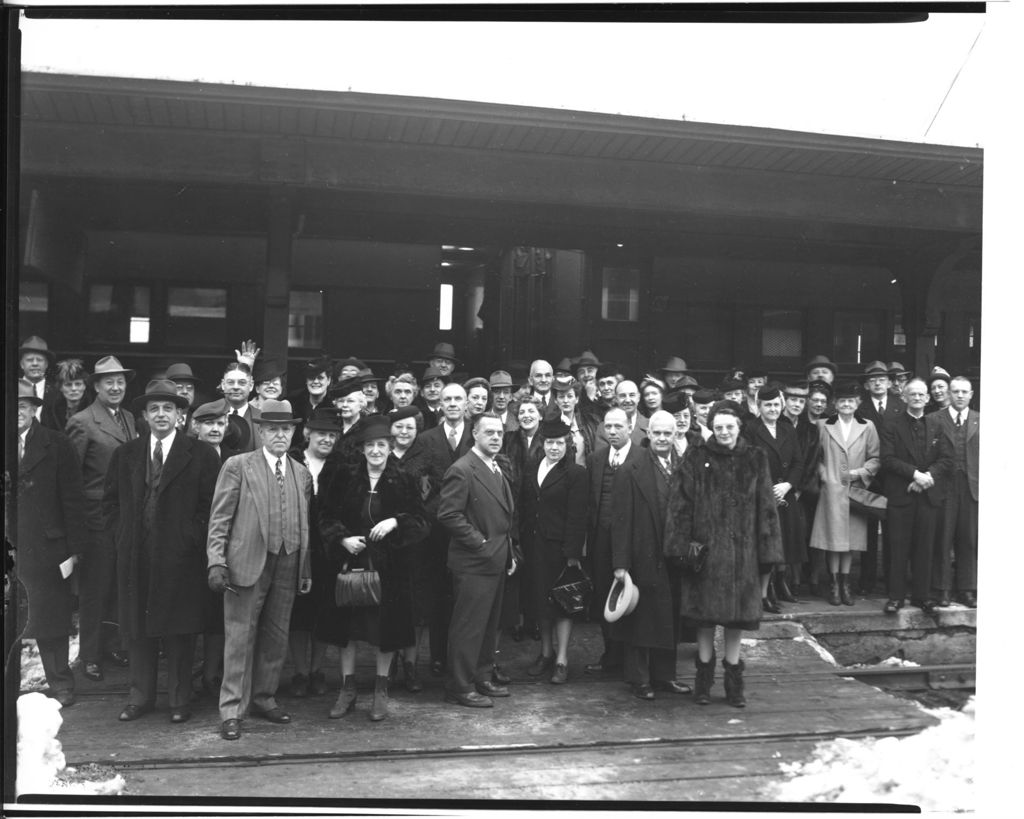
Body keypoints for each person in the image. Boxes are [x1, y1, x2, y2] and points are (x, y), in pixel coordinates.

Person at [103, 379, 221, 724]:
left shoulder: (198, 454)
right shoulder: (125, 455)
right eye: (154, 409)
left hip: (180, 558)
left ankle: (179, 700)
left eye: (168, 408)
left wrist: (188, 537)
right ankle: (140, 697)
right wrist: (122, 535)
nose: (161, 414)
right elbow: (109, 503)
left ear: (180, 416)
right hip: (136, 555)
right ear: (144, 415)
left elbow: (210, 507)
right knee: (137, 630)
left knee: (179, 630)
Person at [206, 399, 313, 741]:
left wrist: (304, 568)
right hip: (246, 564)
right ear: (262, 431)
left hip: (288, 560)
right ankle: (232, 710)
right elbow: (219, 518)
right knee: (239, 636)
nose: (279, 435)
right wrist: (216, 561)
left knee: (276, 636)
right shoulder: (238, 466)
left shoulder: (300, 472)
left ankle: (265, 697)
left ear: (293, 432)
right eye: (273, 429)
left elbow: (305, 524)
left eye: (286, 429)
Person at [665, 401, 784, 707]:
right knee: (703, 619)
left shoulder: (755, 458)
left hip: (742, 557)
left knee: (735, 621)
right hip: (704, 556)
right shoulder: (696, 456)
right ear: (711, 428)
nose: (724, 432)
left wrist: (767, 554)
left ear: (739, 427)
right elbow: (680, 506)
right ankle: (703, 682)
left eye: (729, 426)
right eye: (718, 427)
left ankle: (734, 684)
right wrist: (680, 548)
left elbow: (767, 509)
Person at [318, 415, 428, 721]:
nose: (376, 451)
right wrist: (342, 539)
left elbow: (421, 521)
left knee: (385, 631)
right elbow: (325, 515)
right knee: (348, 630)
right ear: (363, 449)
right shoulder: (345, 477)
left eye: (382, 445)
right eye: (371, 445)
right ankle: (348, 688)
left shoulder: (403, 478)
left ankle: (381, 691)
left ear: (390, 448)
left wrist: (396, 521)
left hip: (389, 568)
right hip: (350, 564)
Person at [15, 378, 89, 707]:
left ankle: (61, 682)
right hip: (10, 548)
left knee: (51, 619)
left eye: (23, 406)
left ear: (34, 410)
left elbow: (73, 499)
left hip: (46, 547)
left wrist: (74, 549)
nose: (17, 412)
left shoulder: (56, 444)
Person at [437, 412, 519, 708]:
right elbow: (448, 514)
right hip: (474, 562)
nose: (496, 437)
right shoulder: (463, 469)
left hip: (496, 560)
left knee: (487, 626)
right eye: (490, 433)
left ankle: (482, 677)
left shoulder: (495, 466)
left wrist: (507, 551)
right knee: (468, 627)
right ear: (475, 435)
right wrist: (480, 544)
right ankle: (459, 685)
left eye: (499, 433)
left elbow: (502, 516)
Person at [610, 411, 692, 700]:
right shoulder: (630, 470)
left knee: (668, 618)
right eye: (656, 433)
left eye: (667, 434)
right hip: (642, 555)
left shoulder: (681, 467)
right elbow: (619, 521)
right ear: (648, 434)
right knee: (642, 620)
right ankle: (640, 679)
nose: (661, 438)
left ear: (675, 435)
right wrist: (620, 565)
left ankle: (665, 676)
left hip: (673, 557)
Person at [66, 355, 138, 682]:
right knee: (95, 589)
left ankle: (111, 645)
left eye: (120, 381)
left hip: (124, 518)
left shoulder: (129, 419)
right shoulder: (83, 421)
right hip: (95, 520)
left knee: (118, 585)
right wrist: (77, 531)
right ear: (96, 386)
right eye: (108, 381)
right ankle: (89, 655)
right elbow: (71, 481)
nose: (115, 386)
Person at [520, 417, 588, 685]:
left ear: (567, 445)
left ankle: (561, 659)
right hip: (534, 547)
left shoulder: (575, 474)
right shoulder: (532, 467)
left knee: (562, 604)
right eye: (550, 443)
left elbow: (577, 516)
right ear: (542, 443)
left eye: (560, 443)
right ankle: (545, 653)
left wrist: (573, 554)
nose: (554, 448)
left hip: (560, 550)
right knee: (540, 603)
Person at [878, 379, 952, 614]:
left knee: (925, 547)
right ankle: (896, 597)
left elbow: (947, 459)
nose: (918, 398)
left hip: (927, 495)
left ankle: (922, 596)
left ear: (928, 398)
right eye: (913, 394)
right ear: (904, 397)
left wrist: (927, 477)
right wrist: (914, 475)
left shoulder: (937, 425)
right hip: (901, 495)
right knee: (898, 547)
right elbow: (887, 459)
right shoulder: (891, 425)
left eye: (922, 394)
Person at [415, 382, 474, 675]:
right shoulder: (426, 439)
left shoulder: (477, 435)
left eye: (457, 399)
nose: (452, 403)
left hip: (469, 524)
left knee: (465, 594)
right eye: (447, 399)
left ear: (466, 404)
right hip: (436, 529)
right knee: (438, 593)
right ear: (440, 403)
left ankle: (462, 659)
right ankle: (438, 656)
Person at [808, 381, 881, 606]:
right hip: (831, 490)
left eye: (850, 401)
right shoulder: (823, 425)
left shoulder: (867, 426)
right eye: (842, 401)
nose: (847, 404)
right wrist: (825, 476)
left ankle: (845, 583)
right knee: (833, 540)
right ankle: (833, 584)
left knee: (849, 542)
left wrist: (859, 473)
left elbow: (875, 458)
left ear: (857, 403)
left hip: (855, 489)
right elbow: (815, 458)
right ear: (835, 404)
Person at [286, 408, 341, 699]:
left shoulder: (341, 467)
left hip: (329, 552)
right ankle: (299, 672)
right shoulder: (292, 460)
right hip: (296, 548)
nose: (327, 440)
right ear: (308, 433)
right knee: (298, 615)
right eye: (322, 434)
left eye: (332, 435)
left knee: (324, 613)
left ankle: (318, 670)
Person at [584, 407, 641, 675]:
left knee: (630, 599)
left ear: (630, 427)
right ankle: (611, 656)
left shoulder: (643, 457)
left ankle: (631, 659)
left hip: (632, 541)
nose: (613, 431)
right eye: (608, 427)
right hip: (601, 541)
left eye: (619, 426)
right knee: (604, 599)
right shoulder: (596, 459)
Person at [190, 398, 238, 698]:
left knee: (219, 614)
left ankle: (213, 674)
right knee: (194, 612)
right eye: (209, 423)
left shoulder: (235, 459)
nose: (215, 429)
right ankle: (191, 674)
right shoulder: (186, 456)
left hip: (227, 546)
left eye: (220, 424)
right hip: (193, 544)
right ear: (196, 426)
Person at [743, 388, 806, 612]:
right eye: (767, 405)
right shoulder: (751, 429)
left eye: (776, 405)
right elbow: (748, 463)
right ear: (759, 407)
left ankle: (780, 585)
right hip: (763, 496)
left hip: (785, 495)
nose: (773, 409)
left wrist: (788, 485)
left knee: (786, 543)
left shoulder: (787, 429)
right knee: (766, 547)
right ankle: (763, 594)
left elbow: (799, 462)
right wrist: (768, 490)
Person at [388, 406, 435, 692]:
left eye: (409, 428)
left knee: (417, 605)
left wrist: (422, 521)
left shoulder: (427, 457)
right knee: (392, 602)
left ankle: (411, 664)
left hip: (419, 541)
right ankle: (391, 660)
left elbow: (439, 491)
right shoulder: (381, 456)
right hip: (388, 540)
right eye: (398, 427)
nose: (404, 432)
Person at [931, 377, 979, 607]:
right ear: (948, 394)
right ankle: (943, 589)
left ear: (971, 394)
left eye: (964, 392)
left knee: (968, 539)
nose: (960, 395)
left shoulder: (982, 420)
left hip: (971, 487)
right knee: (943, 537)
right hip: (944, 488)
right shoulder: (934, 419)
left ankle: (967, 588)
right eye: (955, 391)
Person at [856, 361, 904, 595]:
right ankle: (866, 581)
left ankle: (891, 578)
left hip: (894, 476)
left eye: (882, 379)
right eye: (873, 380)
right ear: (867, 385)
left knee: (894, 528)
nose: (878, 383)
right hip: (870, 476)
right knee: (868, 528)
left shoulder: (899, 405)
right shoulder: (859, 409)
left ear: (889, 382)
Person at [287, 355, 333, 448]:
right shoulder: (293, 404)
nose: (315, 381)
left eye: (320, 377)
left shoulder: (334, 406)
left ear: (328, 381)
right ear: (306, 381)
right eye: (312, 377)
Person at [552, 376, 596, 467]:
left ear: (576, 399)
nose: (565, 401)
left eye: (570, 396)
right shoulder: (551, 426)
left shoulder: (588, 423)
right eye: (561, 397)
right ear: (556, 400)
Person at [19, 335, 61, 430]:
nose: (35, 363)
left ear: (46, 365)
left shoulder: (58, 393)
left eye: (39, 360)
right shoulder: (10, 390)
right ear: (22, 364)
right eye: (29, 360)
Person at [220, 362, 260, 452]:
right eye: (230, 382)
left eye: (242, 383)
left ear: (251, 385)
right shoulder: (211, 416)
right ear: (223, 385)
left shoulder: (261, 418)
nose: (236, 387)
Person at [51, 358, 94, 430]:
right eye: (68, 385)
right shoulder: (52, 412)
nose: (73, 388)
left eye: (78, 384)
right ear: (60, 388)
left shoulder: (94, 410)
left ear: (84, 386)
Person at [166, 362, 202, 430]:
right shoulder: (150, 422)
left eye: (189, 388)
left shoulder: (201, 419)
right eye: (179, 387)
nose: (185, 392)